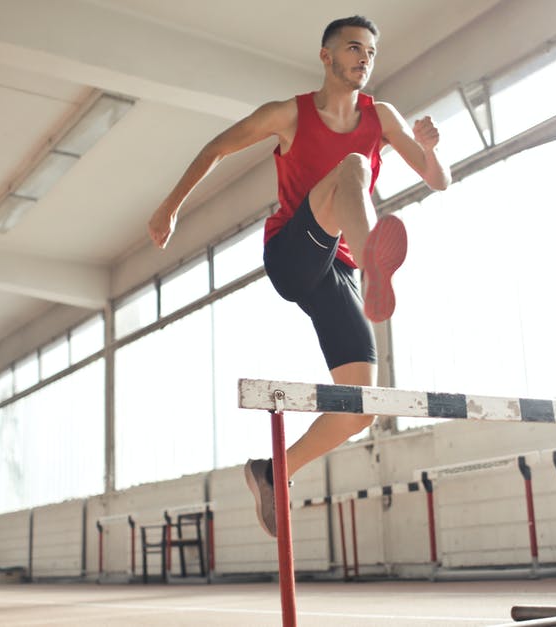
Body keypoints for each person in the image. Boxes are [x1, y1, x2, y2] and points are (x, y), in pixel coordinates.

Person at [148, 15, 451, 537]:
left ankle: (273, 472)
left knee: (361, 409)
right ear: (326, 56)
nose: (364, 59)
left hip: (340, 275)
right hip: (294, 253)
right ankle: (373, 257)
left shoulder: (382, 115)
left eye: (372, 53)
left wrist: (430, 146)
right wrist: (171, 207)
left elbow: (437, 179)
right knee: (354, 168)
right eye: (354, 48)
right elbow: (217, 146)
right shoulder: (289, 115)